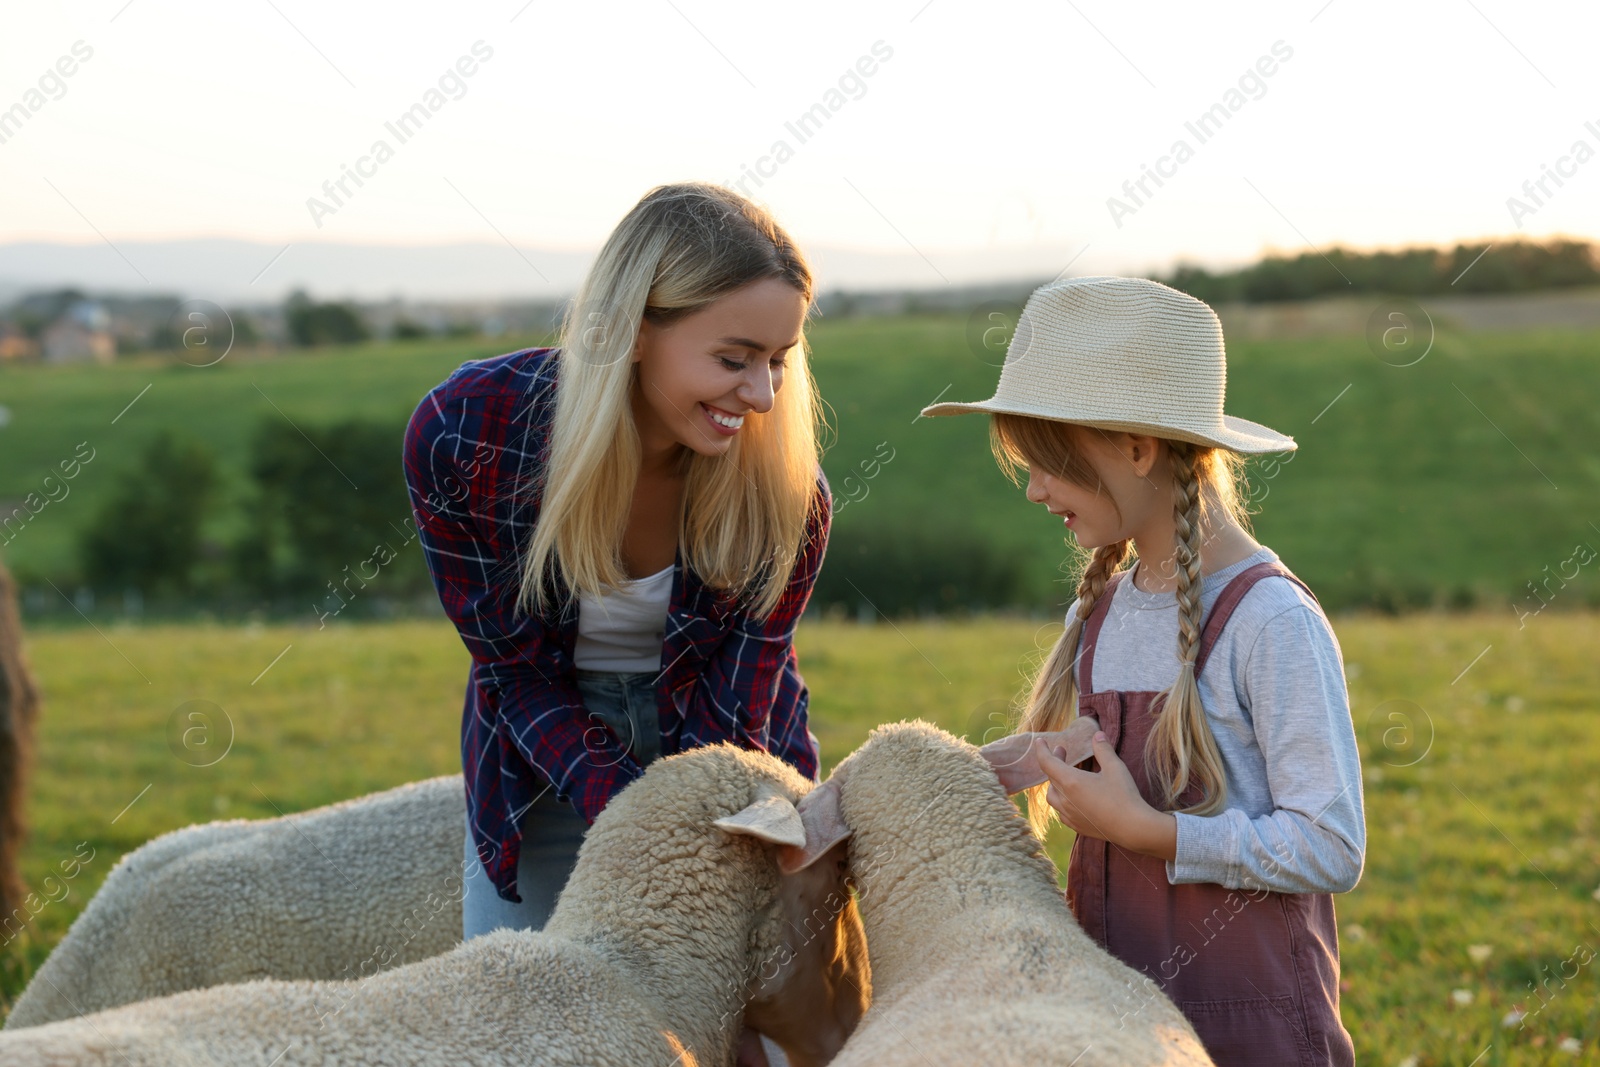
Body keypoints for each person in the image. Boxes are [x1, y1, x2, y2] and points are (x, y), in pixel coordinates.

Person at [920, 276, 1364, 1066]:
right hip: (1112, 1022)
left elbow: (1331, 843)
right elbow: (1083, 745)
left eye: (1049, 461)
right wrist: (945, 776)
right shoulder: (1104, 607)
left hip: (1249, 1031)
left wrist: (1148, 831)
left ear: (1136, 447)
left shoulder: (1272, 620)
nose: (1033, 489)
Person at [402, 183, 829, 954]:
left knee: (734, 1008)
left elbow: (741, 701)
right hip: (544, 754)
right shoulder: (465, 438)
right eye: (733, 359)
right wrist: (625, 810)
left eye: (778, 360)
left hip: (726, 748)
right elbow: (515, 672)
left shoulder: (789, 497)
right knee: (526, 1009)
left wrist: (687, 830)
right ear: (631, 330)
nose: (763, 394)